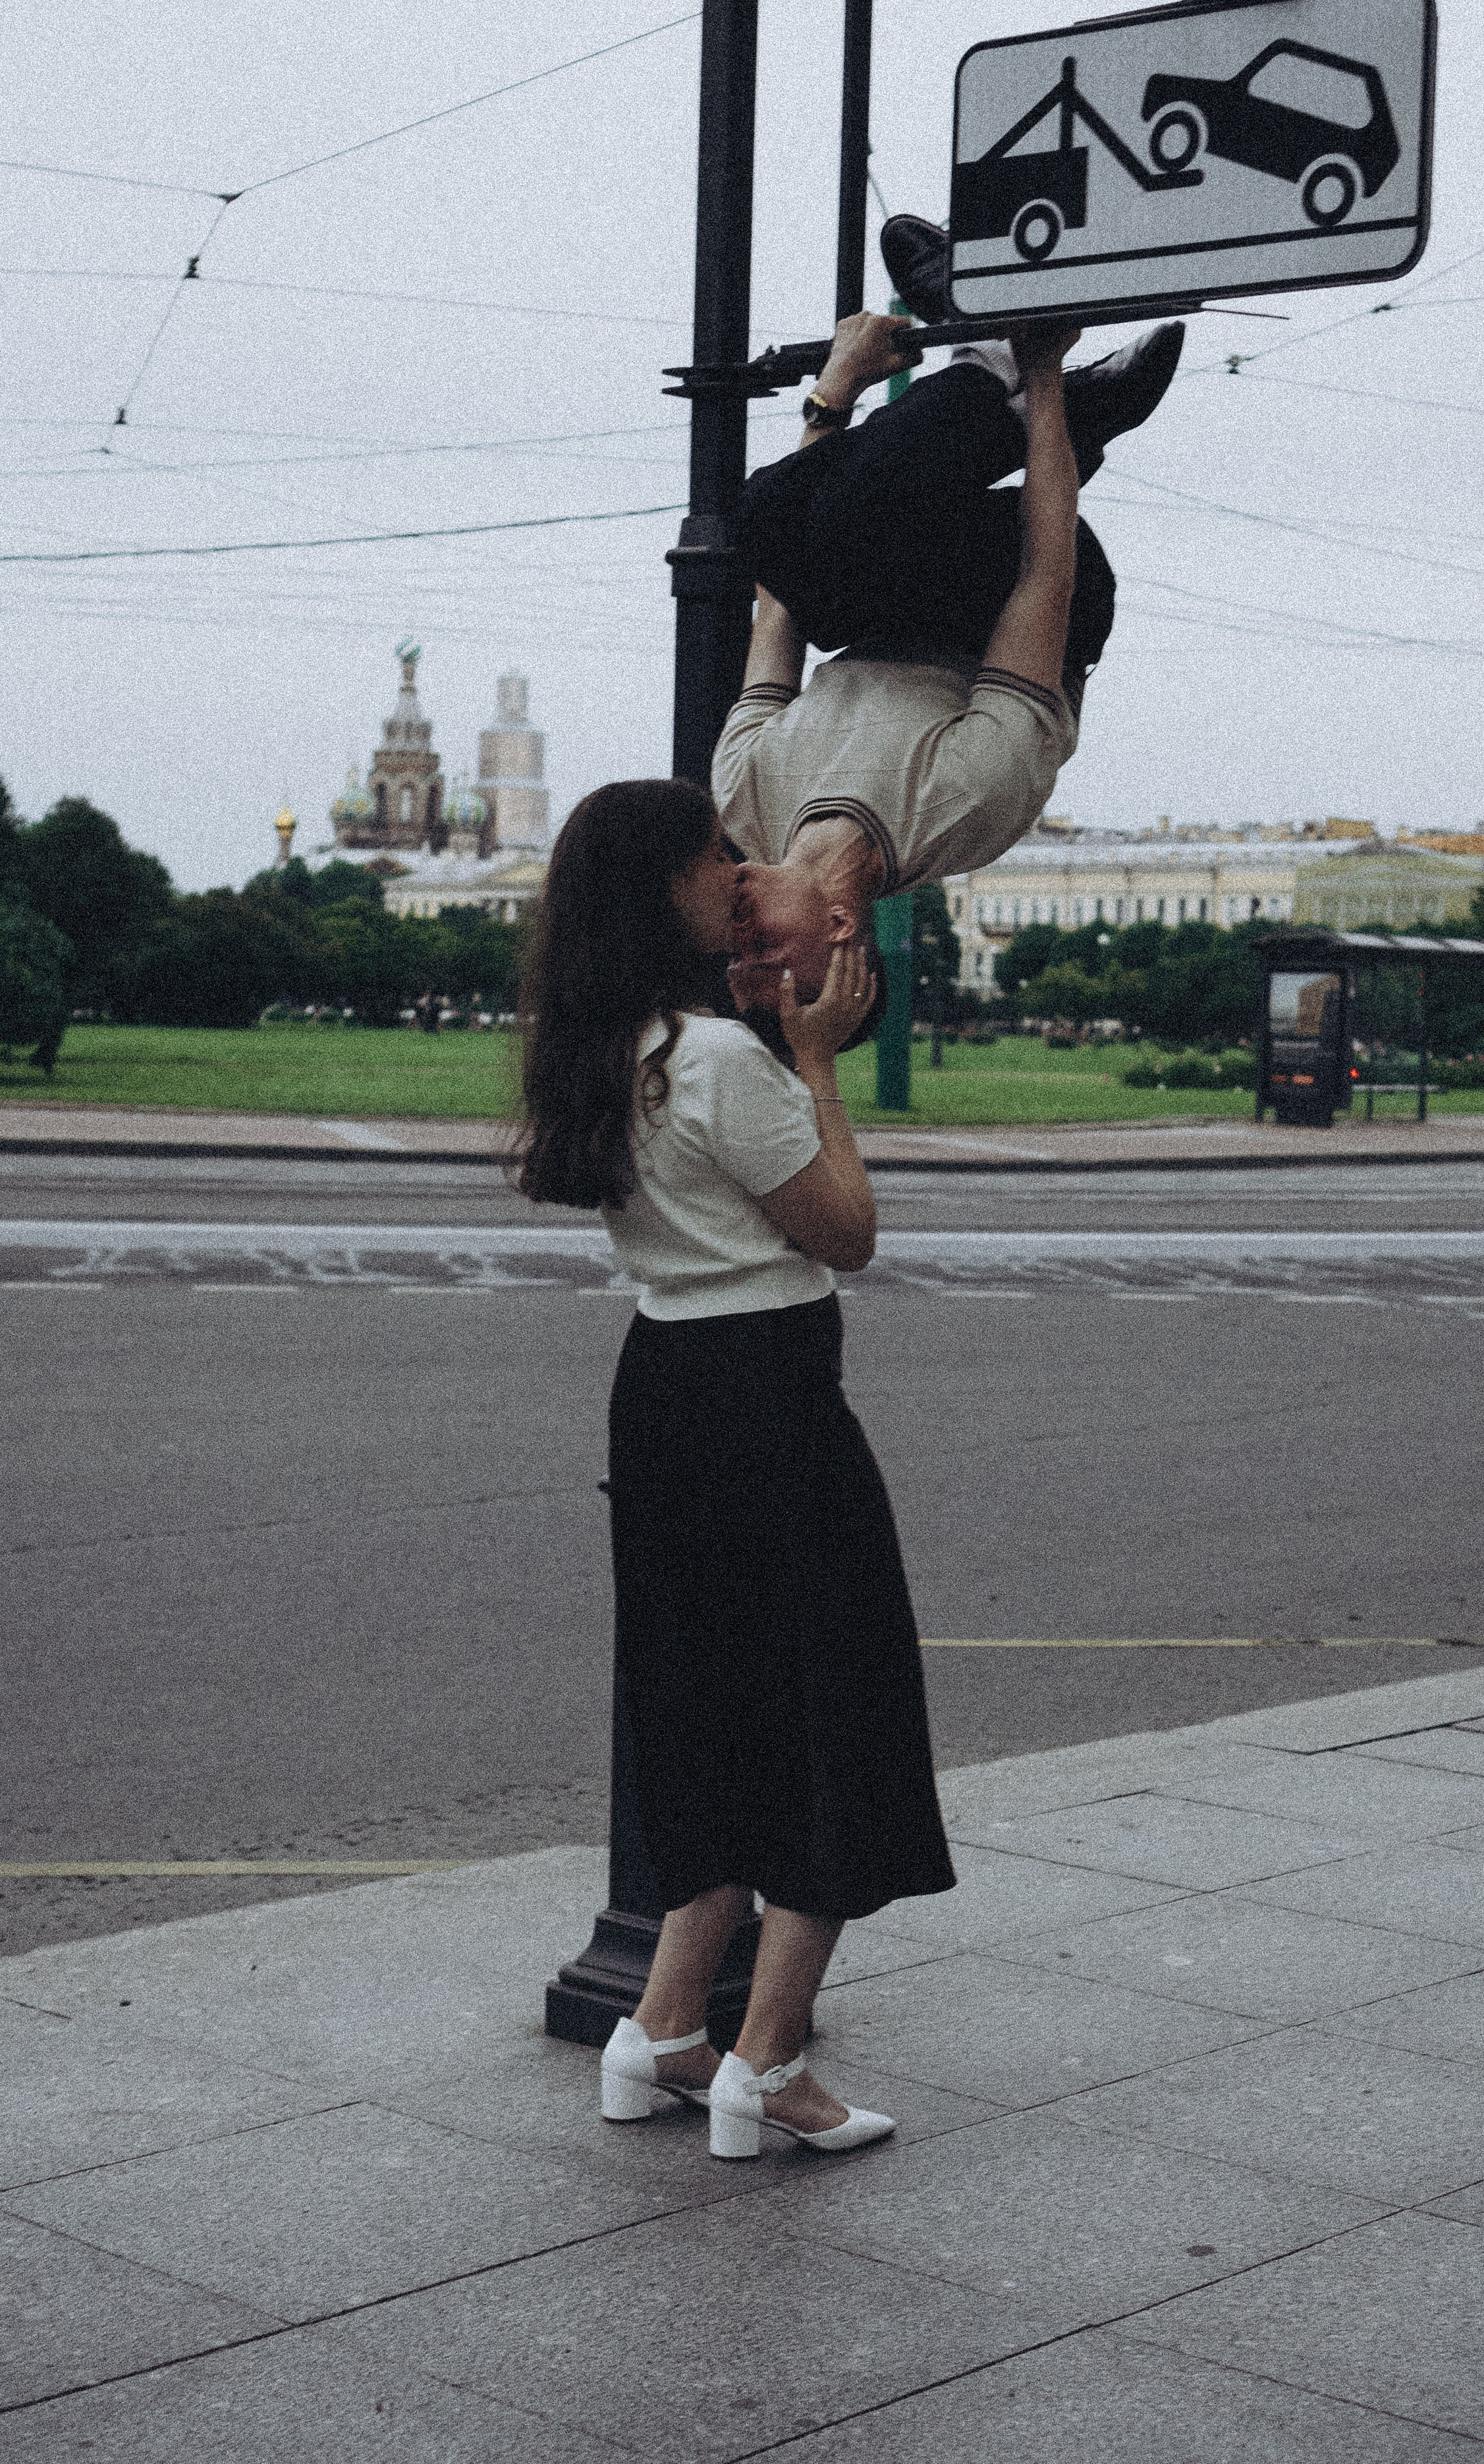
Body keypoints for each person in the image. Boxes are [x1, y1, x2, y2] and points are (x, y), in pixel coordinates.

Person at [518, 779, 954, 2158]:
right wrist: (814, 1057)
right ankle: (764, 2068)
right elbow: (844, 1229)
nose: (739, 870)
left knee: (707, 1713)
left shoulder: (607, 1046)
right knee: (834, 1713)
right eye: (717, 855)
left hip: (661, 1394)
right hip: (768, 1393)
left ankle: (660, 2033)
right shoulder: (713, 1060)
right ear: (664, 889)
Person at [715, 214, 1184, 1017]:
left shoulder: (742, 799)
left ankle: (1054, 395)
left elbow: (779, 597)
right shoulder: (965, 809)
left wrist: (835, 391)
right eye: (766, 951)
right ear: (838, 928)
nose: (738, 935)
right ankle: (1009, 367)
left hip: (889, 586)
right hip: (1020, 593)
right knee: (861, 515)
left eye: (735, 959)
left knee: (761, 517)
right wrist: (1041, 371)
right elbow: (1047, 580)